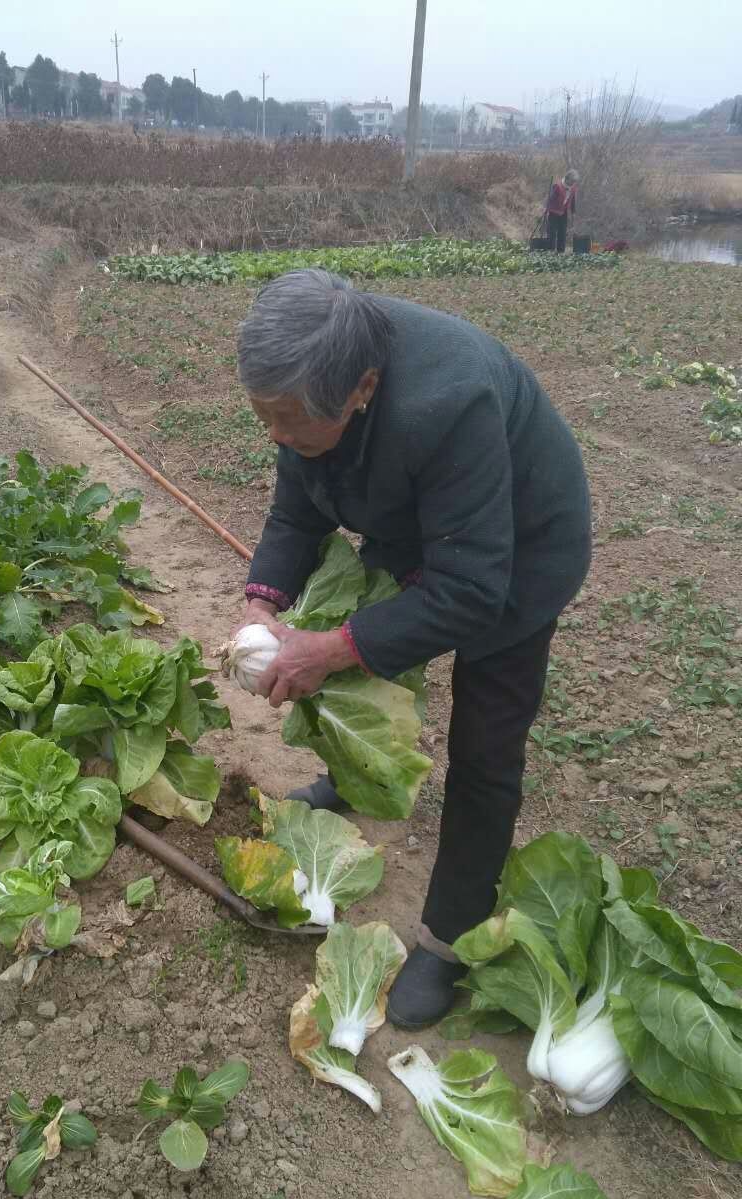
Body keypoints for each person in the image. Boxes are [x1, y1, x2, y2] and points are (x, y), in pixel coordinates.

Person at [233, 269, 591, 1028]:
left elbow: (469, 591)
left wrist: (328, 648)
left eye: (288, 421)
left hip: (520, 552)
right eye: (264, 417)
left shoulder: (447, 402)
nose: (275, 435)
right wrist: (262, 599)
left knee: (485, 744)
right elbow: (297, 511)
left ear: (362, 388)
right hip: (426, 523)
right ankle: (354, 777)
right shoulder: (311, 377)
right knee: (365, 651)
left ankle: (449, 935)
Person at [545, 169, 579, 253]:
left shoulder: (573, 188)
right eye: (572, 181)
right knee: (552, 233)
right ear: (567, 179)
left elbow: (573, 201)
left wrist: (573, 213)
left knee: (562, 233)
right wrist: (546, 211)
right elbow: (550, 200)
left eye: (574, 182)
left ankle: (561, 251)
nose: (573, 183)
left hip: (563, 212)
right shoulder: (557, 186)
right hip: (553, 212)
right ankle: (550, 250)